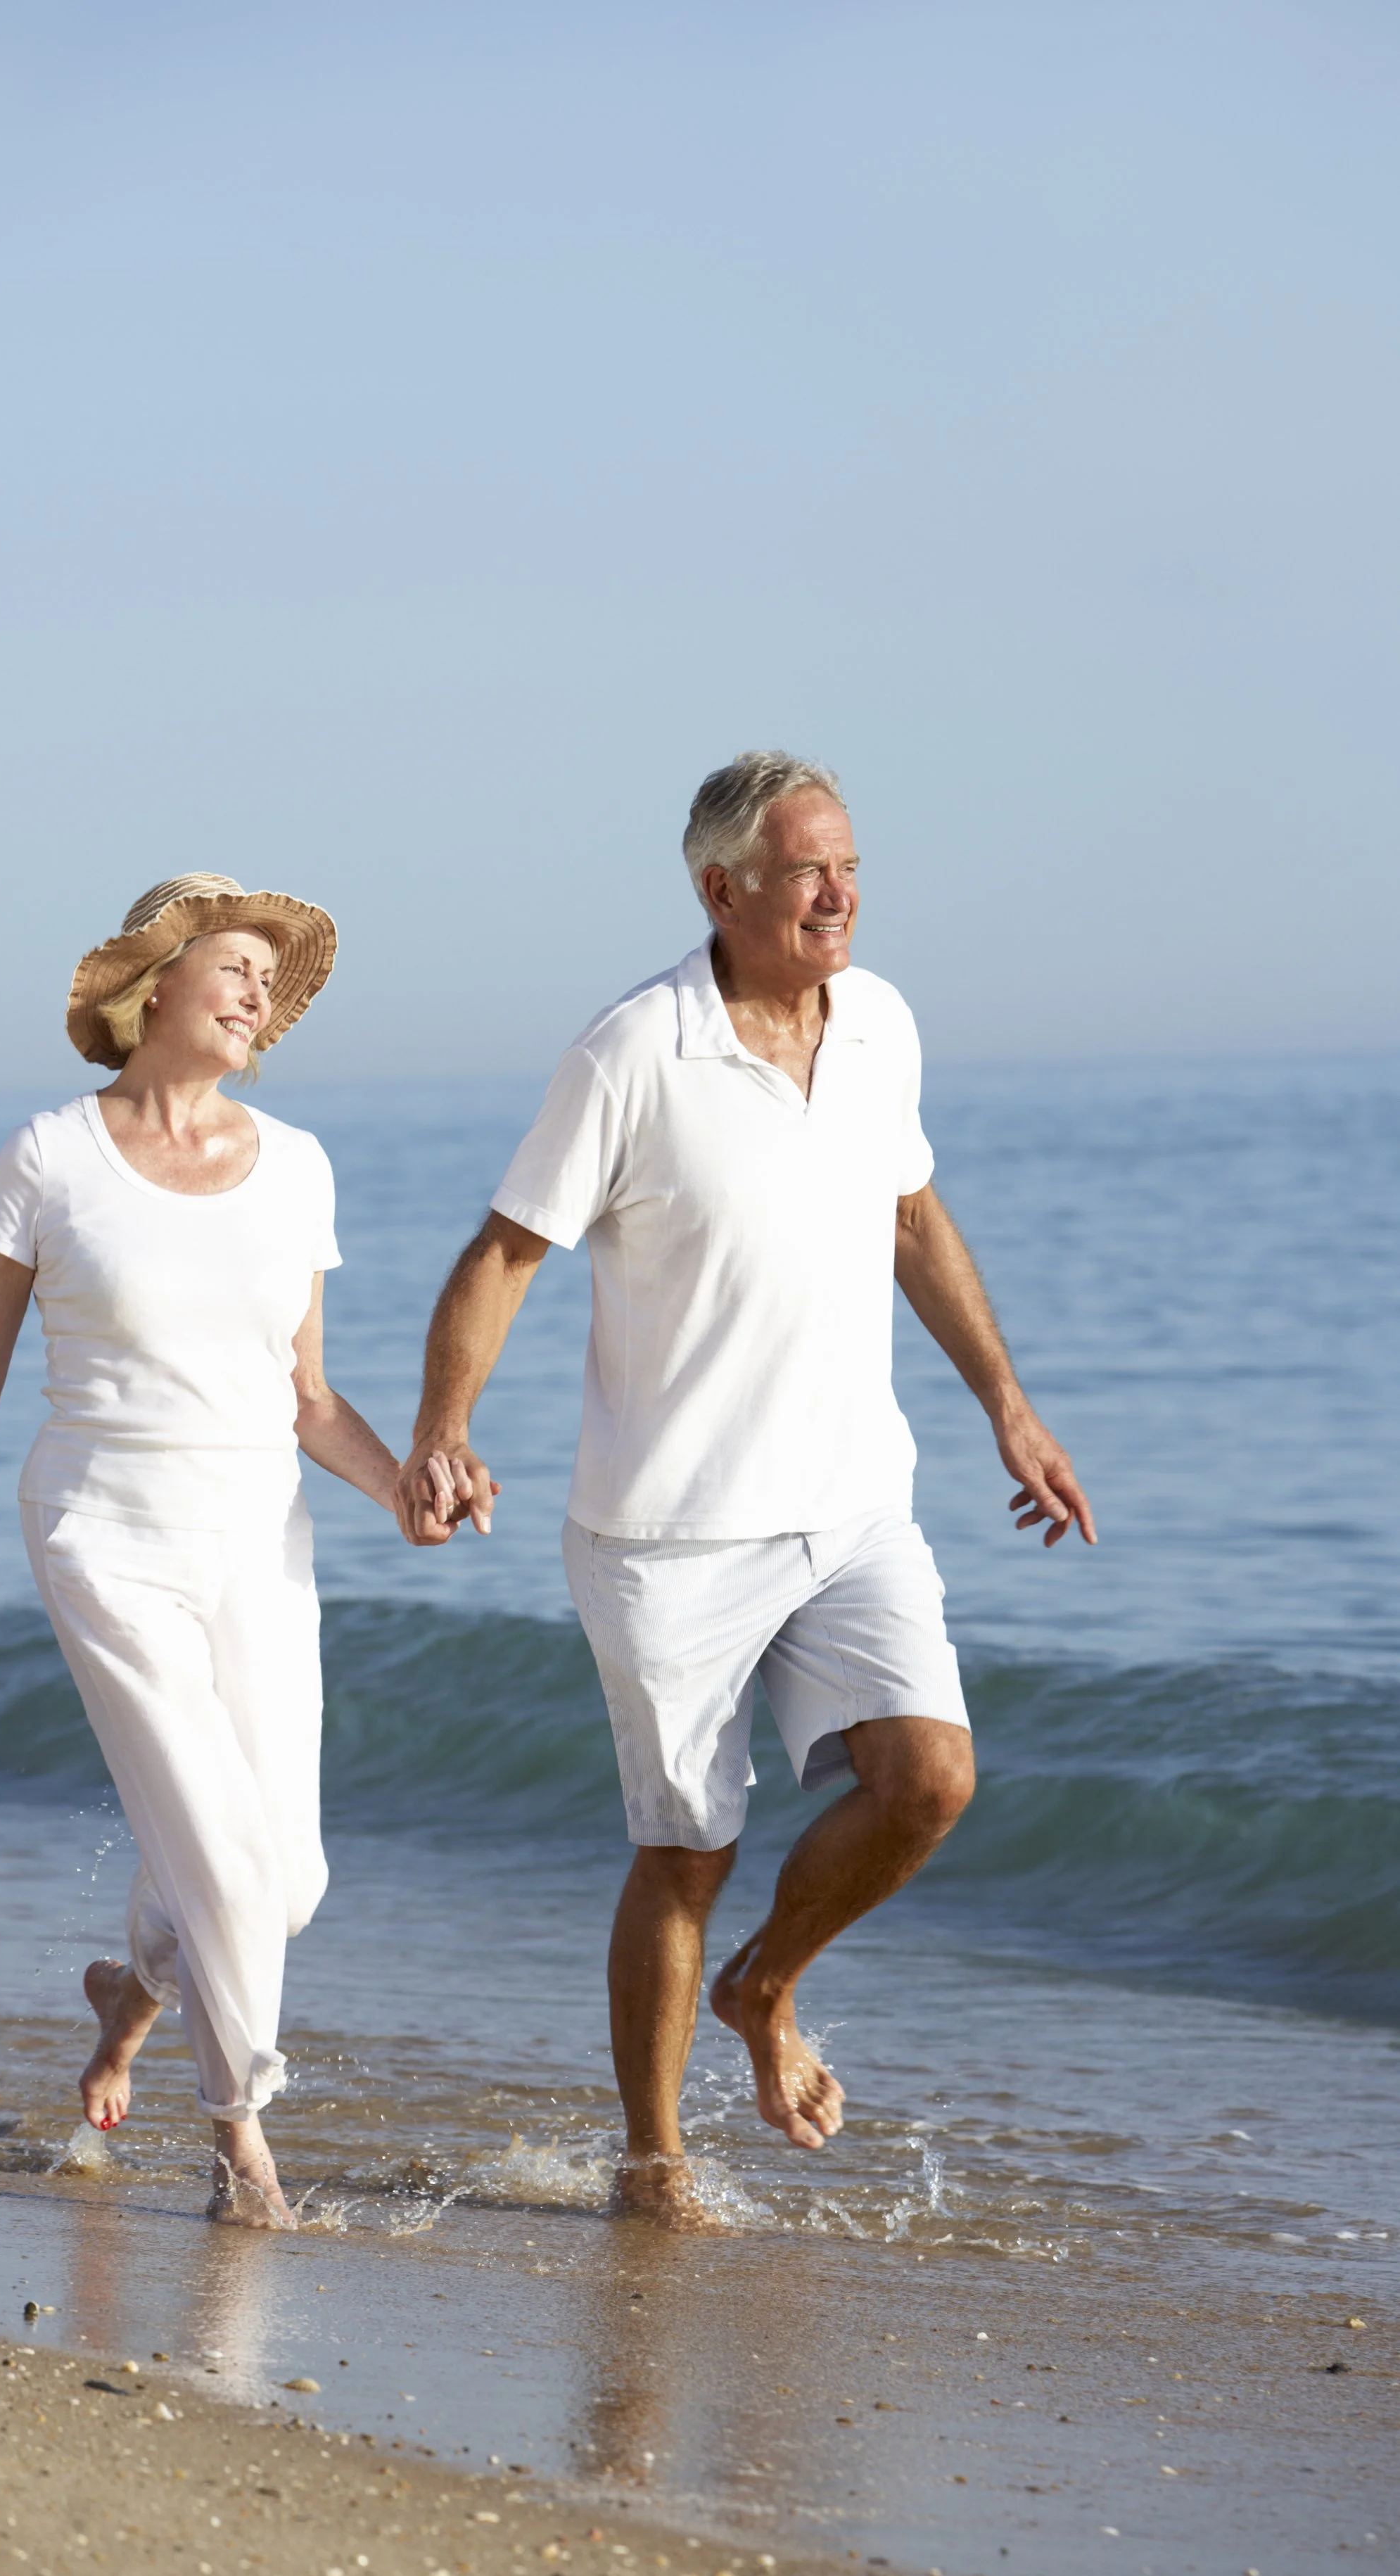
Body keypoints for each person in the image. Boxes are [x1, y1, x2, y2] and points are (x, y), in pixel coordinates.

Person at [399, 754, 1095, 2228]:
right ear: (717, 890)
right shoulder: (630, 1053)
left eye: (846, 867)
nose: (834, 895)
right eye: (800, 874)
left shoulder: (881, 1024)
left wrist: (1007, 1409)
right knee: (685, 1848)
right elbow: (502, 1254)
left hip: (851, 1507)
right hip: (665, 1535)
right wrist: (440, 1429)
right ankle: (649, 2165)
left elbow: (910, 1215)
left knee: (931, 1780)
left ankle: (764, 1987)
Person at [0, 873, 402, 2228]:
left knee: (284, 1879)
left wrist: (405, 1483)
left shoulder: (296, 1164)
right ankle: (245, 2146)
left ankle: (128, 1996)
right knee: (229, 1870)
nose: (259, 995)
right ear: (155, 986)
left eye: (267, 978)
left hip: (257, 1531)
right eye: (233, 968)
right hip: (101, 1534)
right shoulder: (50, 1156)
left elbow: (309, 1398)